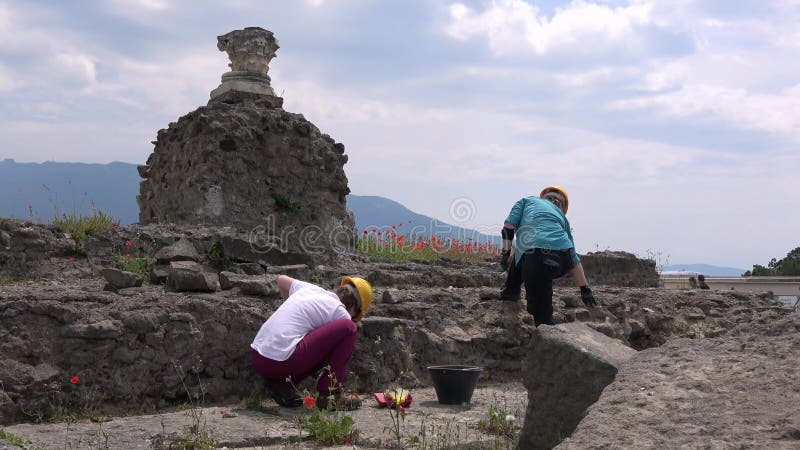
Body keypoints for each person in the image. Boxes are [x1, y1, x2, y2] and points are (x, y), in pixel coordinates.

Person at [250, 275, 372, 410]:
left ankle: (280, 385)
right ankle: (329, 395)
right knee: (350, 328)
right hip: (281, 362)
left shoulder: (310, 289)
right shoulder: (341, 313)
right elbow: (347, 330)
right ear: (355, 309)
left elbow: (281, 280)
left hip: (258, 356)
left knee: (320, 342)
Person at [499, 186, 597, 326]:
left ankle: (545, 331)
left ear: (543, 197)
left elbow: (508, 226)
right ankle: (511, 291)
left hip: (536, 255)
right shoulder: (562, 218)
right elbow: (573, 256)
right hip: (561, 259)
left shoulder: (527, 200)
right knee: (522, 258)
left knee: (541, 314)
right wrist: (584, 289)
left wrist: (506, 252)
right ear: (562, 207)